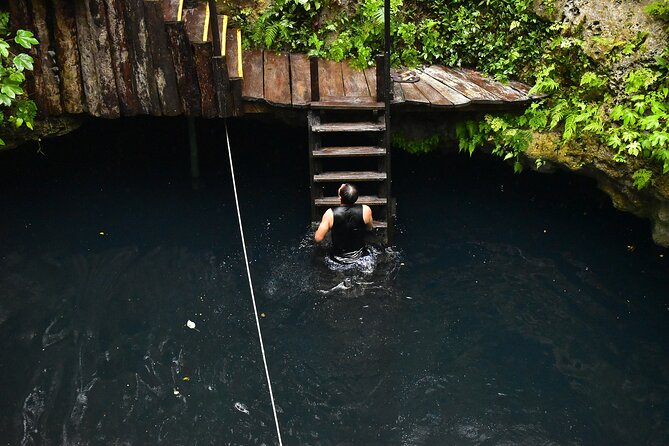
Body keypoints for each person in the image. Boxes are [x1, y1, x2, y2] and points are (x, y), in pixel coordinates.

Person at [314, 183, 374, 261]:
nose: (342, 184)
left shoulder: (330, 214)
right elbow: (370, 228)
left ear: (340, 197)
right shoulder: (366, 210)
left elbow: (318, 238)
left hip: (338, 258)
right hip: (361, 257)